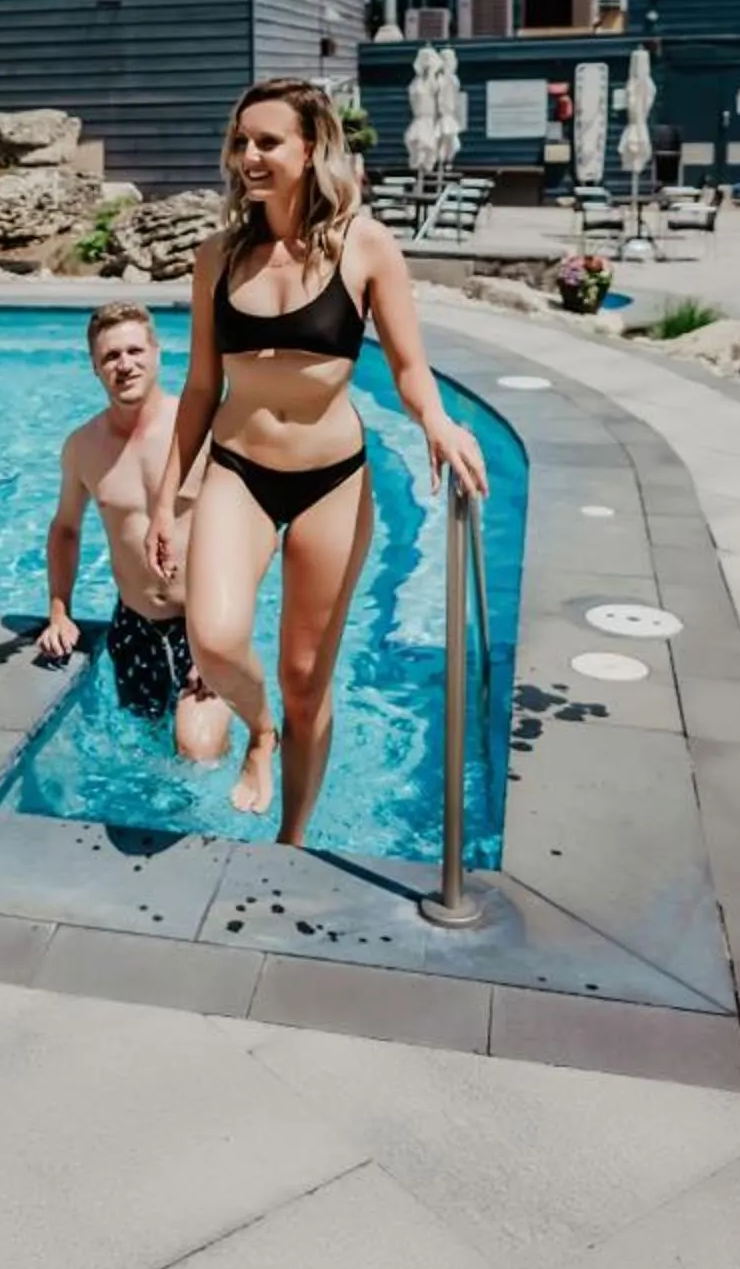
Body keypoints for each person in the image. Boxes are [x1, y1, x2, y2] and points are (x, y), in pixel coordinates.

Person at [152, 78, 491, 845]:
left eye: (268, 141)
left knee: (309, 680)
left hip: (331, 483)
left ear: (311, 149)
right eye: (241, 142)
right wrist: (173, 495)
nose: (249, 156)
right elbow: (203, 385)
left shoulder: (364, 246)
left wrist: (436, 419)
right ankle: (260, 730)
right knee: (213, 636)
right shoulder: (217, 256)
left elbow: (409, 367)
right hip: (238, 471)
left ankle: (292, 840)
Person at [41, 303, 232, 765]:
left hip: (204, 623)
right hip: (133, 628)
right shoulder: (83, 447)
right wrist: (59, 611)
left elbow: (252, 526)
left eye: (133, 350)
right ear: (94, 367)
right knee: (144, 753)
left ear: (157, 354)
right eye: (110, 357)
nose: (124, 365)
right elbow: (66, 528)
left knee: (198, 750)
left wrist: (223, 633)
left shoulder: (205, 429)